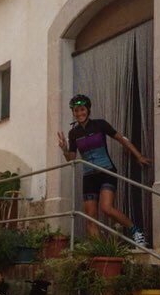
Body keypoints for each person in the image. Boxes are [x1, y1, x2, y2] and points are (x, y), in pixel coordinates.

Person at [57, 94, 151, 247]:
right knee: (91, 217)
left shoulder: (100, 124)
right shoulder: (73, 133)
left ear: (88, 110)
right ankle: (98, 250)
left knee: (106, 208)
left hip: (106, 171)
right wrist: (64, 149)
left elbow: (121, 139)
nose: (79, 113)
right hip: (89, 176)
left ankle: (136, 232)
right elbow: (71, 158)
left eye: (82, 109)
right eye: (76, 111)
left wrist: (138, 156)